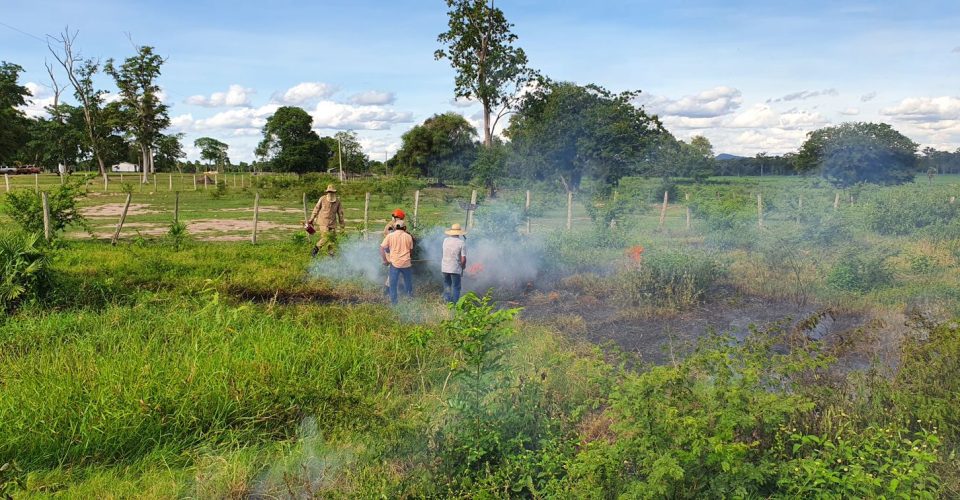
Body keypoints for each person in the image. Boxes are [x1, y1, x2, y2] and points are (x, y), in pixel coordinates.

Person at [380, 219, 414, 304]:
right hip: (406, 264)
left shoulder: (390, 236)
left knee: (393, 284)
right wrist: (407, 257)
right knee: (408, 282)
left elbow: (382, 248)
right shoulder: (408, 236)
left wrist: (385, 260)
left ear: (395, 228)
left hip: (395, 264)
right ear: (404, 228)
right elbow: (411, 251)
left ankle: (394, 302)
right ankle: (409, 299)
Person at [308, 184, 345, 257]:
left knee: (332, 239)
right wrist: (311, 219)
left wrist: (342, 225)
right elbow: (316, 209)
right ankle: (315, 250)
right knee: (325, 237)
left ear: (334, 192)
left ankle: (331, 255)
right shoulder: (322, 199)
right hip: (323, 222)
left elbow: (340, 213)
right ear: (327, 192)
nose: (331, 193)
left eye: (332, 192)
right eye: (329, 192)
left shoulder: (337, 201)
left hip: (332, 223)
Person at [441, 223, 467, 303]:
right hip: (455, 268)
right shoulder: (461, 243)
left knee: (447, 285)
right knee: (456, 287)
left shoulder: (445, 240)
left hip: (445, 267)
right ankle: (455, 305)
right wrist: (463, 266)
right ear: (459, 233)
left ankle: (447, 302)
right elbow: (463, 259)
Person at [382, 209, 406, 295]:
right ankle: (387, 290)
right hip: (390, 252)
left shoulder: (394, 225)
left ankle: (395, 289)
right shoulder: (391, 227)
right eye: (401, 219)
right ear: (397, 218)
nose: (402, 220)